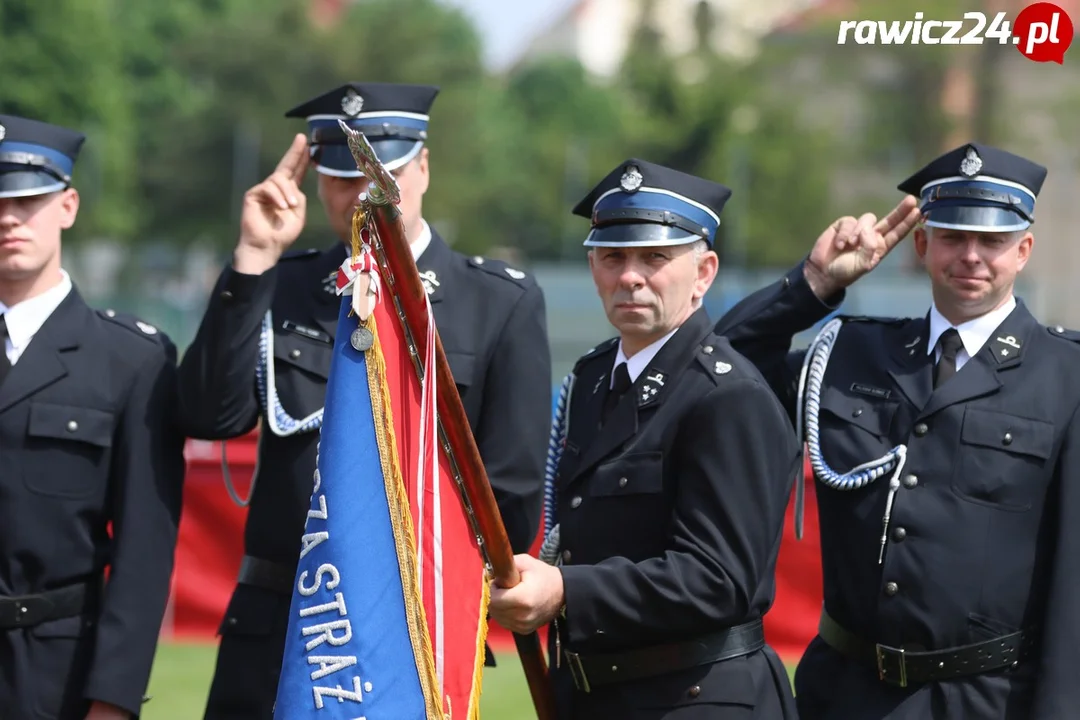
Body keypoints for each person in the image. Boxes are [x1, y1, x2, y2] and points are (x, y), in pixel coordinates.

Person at [176, 82, 553, 719]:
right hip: (276, 627)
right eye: (344, 178)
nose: (364, 195)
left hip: (407, 630)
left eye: (386, 174)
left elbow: (509, 499)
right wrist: (252, 259)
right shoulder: (285, 283)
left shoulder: (497, 302)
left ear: (424, 168)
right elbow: (208, 415)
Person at [714, 142, 1080, 719]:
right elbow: (719, 373)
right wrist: (812, 284)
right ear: (921, 244)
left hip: (983, 700)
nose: (972, 256)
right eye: (954, 237)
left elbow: (1072, 584)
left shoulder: (1067, 376)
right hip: (841, 694)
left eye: (992, 241)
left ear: (1024, 250)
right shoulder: (852, 353)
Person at [489, 158, 800, 719]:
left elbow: (719, 579)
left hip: (694, 699)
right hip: (597, 695)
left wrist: (565, 592)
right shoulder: (591, 379)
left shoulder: (727, 396)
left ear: (704, 273)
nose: (630, 275)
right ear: (592, 268)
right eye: (613, 257)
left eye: (654, 257)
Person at [0, 114, 185, 719]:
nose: (8, 218)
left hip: (55, 675)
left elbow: (143, 551)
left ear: (68, 206)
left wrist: (113, 699)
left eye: (28, 200)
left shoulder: (131, 359)